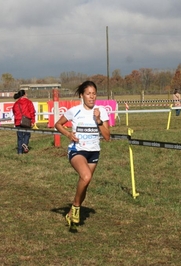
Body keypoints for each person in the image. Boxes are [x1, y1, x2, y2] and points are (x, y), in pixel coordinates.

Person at [54, 80, 111, 227]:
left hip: (94, 152)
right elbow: (58, 124)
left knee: (85, 183)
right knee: (86, 176)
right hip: (77, 150)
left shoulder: (101, 111)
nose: (92, 97)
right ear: (82, 95)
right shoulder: (75, 110)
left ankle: (71, 212)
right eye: (88, 94)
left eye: (94, 94)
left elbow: (107, 137)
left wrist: (98, 120)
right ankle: (76, 208)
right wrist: (68, 135)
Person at [12, 90, 36, 154]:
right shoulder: (29, 102)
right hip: (26, 121)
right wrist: (33, 120)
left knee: (20, 137)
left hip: (18, 121)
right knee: (27, 134)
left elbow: (14, 112)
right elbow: (32, 112)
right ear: (24, 94)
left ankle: (20, 151)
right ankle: (25, 144)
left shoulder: (16, 103)